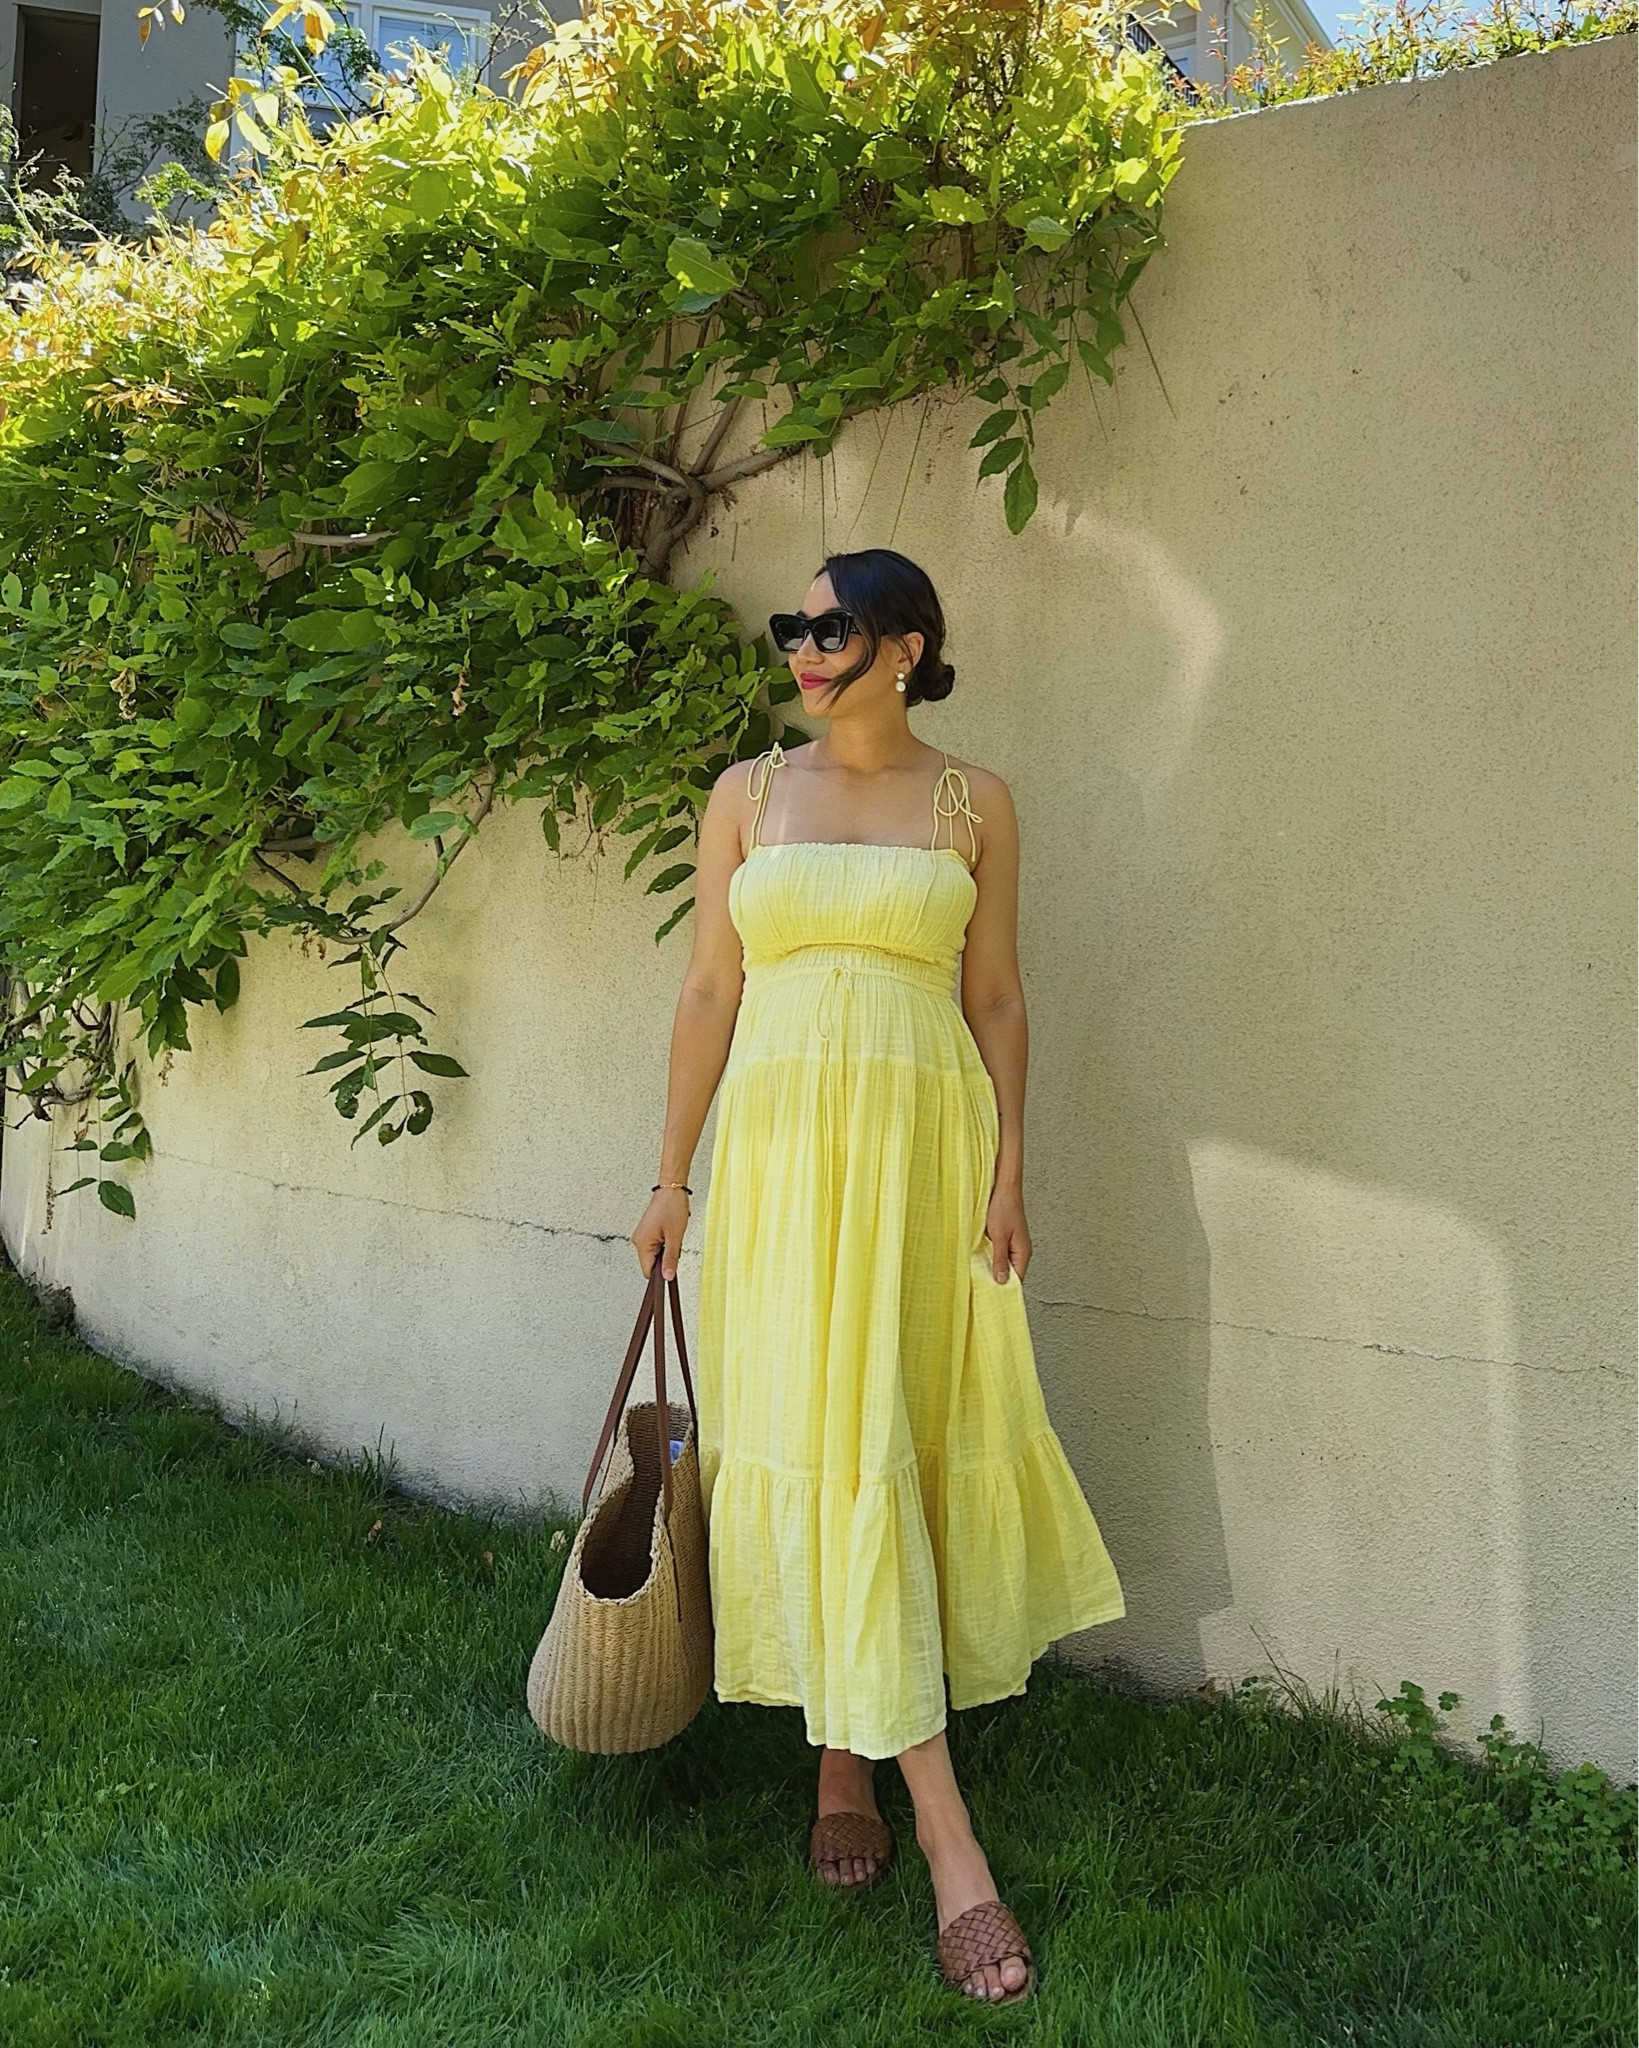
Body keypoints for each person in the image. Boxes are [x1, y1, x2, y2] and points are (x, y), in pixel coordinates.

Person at [629, 546, 1125, 2006]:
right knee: (821, 1437)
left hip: (922, 1159)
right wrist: (672, 1175)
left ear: (906, 644)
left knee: (887, 1434)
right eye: (794, 625)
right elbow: (712, 988)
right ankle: (929, 1818)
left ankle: (853, 1756)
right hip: (784, 1167)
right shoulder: (745, 798)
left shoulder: (977, 806)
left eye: (831, 624)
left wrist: (1013, 1164)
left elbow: (997, 995)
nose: (802, 644)